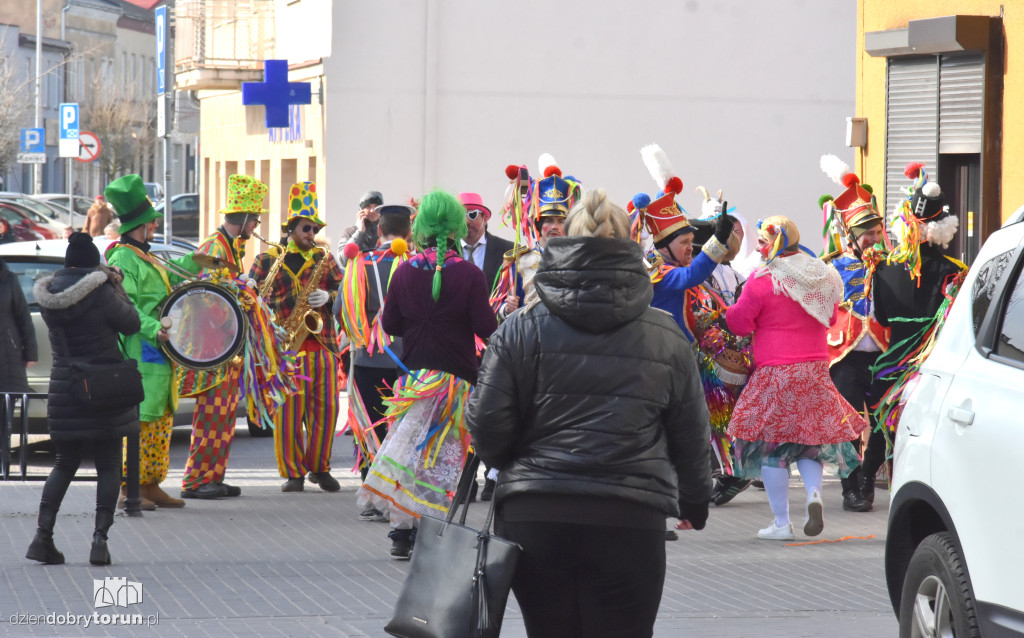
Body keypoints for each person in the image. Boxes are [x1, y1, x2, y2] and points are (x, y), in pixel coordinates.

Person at [466, 189, 712, 638]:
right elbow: (691, 432)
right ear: (632, 249)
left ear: (563, 246)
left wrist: (516, 463)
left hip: (535, 512)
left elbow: (486, 425)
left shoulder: (521, 327)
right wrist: (695, 500)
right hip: (628, 515)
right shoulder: (666, 335)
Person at [356, 188, 498, 559]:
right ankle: (430, 530)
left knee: (407, 456)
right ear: (454, 227)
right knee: (440, 460)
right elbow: (486, 328)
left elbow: (391, 323)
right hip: (454, 384)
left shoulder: (404, 272)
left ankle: (401, 533)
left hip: (414, 381)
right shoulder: (469, 274)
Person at [725, 216, 867, 541]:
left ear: (774, 242)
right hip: (815, 369)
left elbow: (740, 323)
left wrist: (728, 312)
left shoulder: (762, 280)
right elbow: (830, 316)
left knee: (771, 449)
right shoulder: (822, 274)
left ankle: (780, 523)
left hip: (775, 371)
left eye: (762, 242)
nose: (759, 248)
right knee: (809, 445)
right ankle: (814, 495)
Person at [27, 232, 141, 565]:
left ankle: (41, 538)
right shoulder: (103, 292)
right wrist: (117, 287)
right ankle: (99, 541)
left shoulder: (49, 294)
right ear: (95, 265)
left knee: (64, 464)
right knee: (108, 464)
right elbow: (132, 323)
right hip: (102, 389)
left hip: (66, 388)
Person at [864, 163, 966, 504]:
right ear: (943, 228)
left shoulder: (882, 268)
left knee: (882, 423)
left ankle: (865, 485)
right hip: (929, 364)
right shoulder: (953, 273)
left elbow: (880, 316)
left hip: (890, 360)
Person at [105, 174, 201, 511]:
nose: (157, 224)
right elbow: (124, 304)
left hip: (160, 350)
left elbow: (173, 278)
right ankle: (129, 488)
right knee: (142, 420)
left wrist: (197, 262)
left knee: (161, 418)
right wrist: (152, 329)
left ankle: (152, 482)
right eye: (153, 221)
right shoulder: (122, 259)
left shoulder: (143, 255)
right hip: (143, 349)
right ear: (141, 225)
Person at [249, 181, 344, 493]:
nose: (311, 234)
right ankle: (293, 473)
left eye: (314, 229)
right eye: (306, 228)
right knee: (288, 413)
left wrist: (329, 297)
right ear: (291, 228)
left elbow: (345, 292)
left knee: (326, 410)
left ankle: (321, 467)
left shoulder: (325, 259)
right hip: (286, 349)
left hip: (323, 347)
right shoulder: (266, 261)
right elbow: (251, 296)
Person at [178, 174, 265, 499]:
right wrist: (234, 324)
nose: (256, 225)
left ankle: (214, 476)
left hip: (227, 349)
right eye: (254, 219)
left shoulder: (232, 247)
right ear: (242, 218)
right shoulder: (214, 248)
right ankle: (196, 481)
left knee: (225, 417)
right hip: (213, 349)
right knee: (211, 418)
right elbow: (205, 296)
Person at [819, 157, 889, 513]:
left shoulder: (893, 266)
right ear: (851, 236)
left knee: (882, 423)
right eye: (867, 234)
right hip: (844, 357)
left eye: (877, 232)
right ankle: (850, 488)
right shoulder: (832, 267)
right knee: (846, 425)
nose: (874, 239)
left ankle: (867, 474)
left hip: (883, 355)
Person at [335, 203, 413, 517]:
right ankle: (399, 491)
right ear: (409, 233)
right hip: (409, 361)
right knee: (404, 428)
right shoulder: (416, 264)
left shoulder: (358, 263)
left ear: (378, 231)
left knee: (370, 427)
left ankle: (372, 491)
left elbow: (340, 309)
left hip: (368, 358)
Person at [629, 144, 733, 336]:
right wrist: (718, 239)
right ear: (665, 246)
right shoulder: (660, 271)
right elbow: (692, 275)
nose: (690, 247)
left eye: (690, 240)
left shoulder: (653, 259)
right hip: (668, 353)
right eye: (684, 242)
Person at [493, 154, 582, 319]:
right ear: (539, 225)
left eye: (561, 221)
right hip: (531, 338)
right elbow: (497, 309)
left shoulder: (578, 260)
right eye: (549, 220)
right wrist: (507, 308)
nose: (555, 226)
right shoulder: (520, 261)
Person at [458, 192, 513, 293]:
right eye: (460, 216)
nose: (466, 221)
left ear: (485, 218)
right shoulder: (445, 253)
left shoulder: (509, 250)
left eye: (472, 215)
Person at [0, 255, 37, 393]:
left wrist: (30, 353)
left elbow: (23, 316)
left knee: (6, 403)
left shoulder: (8, 279)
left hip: (6, 352)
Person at [336, 190, 383, 262]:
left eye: (376, 207)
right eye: (368, 206)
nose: (372, 210)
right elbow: (343, 260)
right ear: (361, 210)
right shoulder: (349, 232)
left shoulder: (385, 232)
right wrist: (359, 232)